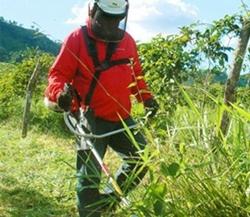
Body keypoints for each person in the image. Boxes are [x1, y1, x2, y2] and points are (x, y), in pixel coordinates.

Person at [44, 0, 159, 216]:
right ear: (93, 11)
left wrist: (147, 99)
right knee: (89, 176)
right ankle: (89, 212)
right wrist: (60, 94)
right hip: (89, 117)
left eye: (115, 21)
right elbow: (57, 75)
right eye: (105, 19)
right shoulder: (77, 39)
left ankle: (107, 201)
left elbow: (136, 78)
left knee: (142, 157)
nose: (109, 27)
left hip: (121, 117)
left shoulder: (127, 42)